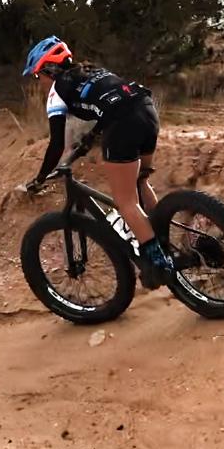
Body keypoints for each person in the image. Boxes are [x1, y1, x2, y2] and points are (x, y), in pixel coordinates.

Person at [20, 36, 173, 288]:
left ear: (49, 69)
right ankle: (163, 240)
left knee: (126, 203)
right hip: (147, 111)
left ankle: (158, 264)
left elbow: (56, 143)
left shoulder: (58, 91)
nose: (40, 83)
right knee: (140, 180)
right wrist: (90, 137)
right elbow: (110, 102)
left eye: (38, 76)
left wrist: (39, 179)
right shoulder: (93, 71)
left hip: (123, 124)